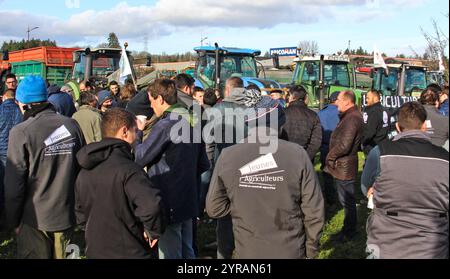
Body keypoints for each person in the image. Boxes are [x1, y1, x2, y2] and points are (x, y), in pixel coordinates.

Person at [206, 95, 324, 259]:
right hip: (290, 249)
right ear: (280, 123)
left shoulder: (228, 156)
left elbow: (214, 208)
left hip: (248, 249)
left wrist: (243, 210)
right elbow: (314, 211)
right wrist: (311, 250)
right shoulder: (297, 154)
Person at [4, 76, 84, 259]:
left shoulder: (21, 132)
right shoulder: (72, 126)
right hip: (66, 216)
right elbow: (82, 172)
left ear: (22, 103)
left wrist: (13, 221)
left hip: (34, 220)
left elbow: (13, 187)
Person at [75, 108, 165, 259]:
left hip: (95, 249)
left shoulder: (85, 170)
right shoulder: (129, 170)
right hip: (130, 250)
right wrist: (153, 231)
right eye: (135, 131)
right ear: (124, 131)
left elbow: (79, 212)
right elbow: (151, 204)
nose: (137, 136)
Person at [134, 79, 209, 259]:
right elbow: (203, 164)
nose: (151, 106)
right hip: (188, 196)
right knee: (187, 248)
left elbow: (139, 157)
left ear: (160, 99)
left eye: (151, 101)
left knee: (170, 251)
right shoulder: (191, 121)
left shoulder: (165, 125)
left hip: (169, 199)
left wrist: (137, 133)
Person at [364, 102, 448, 259]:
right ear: (424, 126)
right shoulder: (445, 158)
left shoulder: (380, 152)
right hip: (432, 245)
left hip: (386, 242)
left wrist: (374, 191)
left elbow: (365, 186)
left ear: (397, 126)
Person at [324, 90, 363, 241]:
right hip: (343, 164)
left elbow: (345, 145)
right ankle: (348, 229)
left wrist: (330, 157)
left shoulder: (352, 118)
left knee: (347, 200)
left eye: (339, 100)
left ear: (347, 102)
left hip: (344, 166)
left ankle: (349, 231)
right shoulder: (350, 116)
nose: (336, 103)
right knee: (346, 199)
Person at [280, 85, 322, 161]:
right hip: (303, 157)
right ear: (306, 97)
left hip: (283, 157)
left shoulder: (281, 113)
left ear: (291, 97)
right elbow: (316, 142)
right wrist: (306, 158)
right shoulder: (313, 115)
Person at [0, 89, 22, 224]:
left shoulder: (0, 110)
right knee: (14, 183)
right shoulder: (19, 111)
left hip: (1, 151)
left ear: (3, 97)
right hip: (15, 150)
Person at [317, 92, 340, 205]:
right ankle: (341, 198)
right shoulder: (342, 113)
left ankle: (330, 198)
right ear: (337, 100)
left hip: (325, 147)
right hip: (340, 148)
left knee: (327, 174)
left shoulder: (321, 113)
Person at [361, 89, 389, 156]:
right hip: (382, 146)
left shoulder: (374, 111)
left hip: (372, 147)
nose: (366, 100)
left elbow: (370, 132)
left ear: (376, 98)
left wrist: (362, 142)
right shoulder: (385, 109)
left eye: (368, 98)